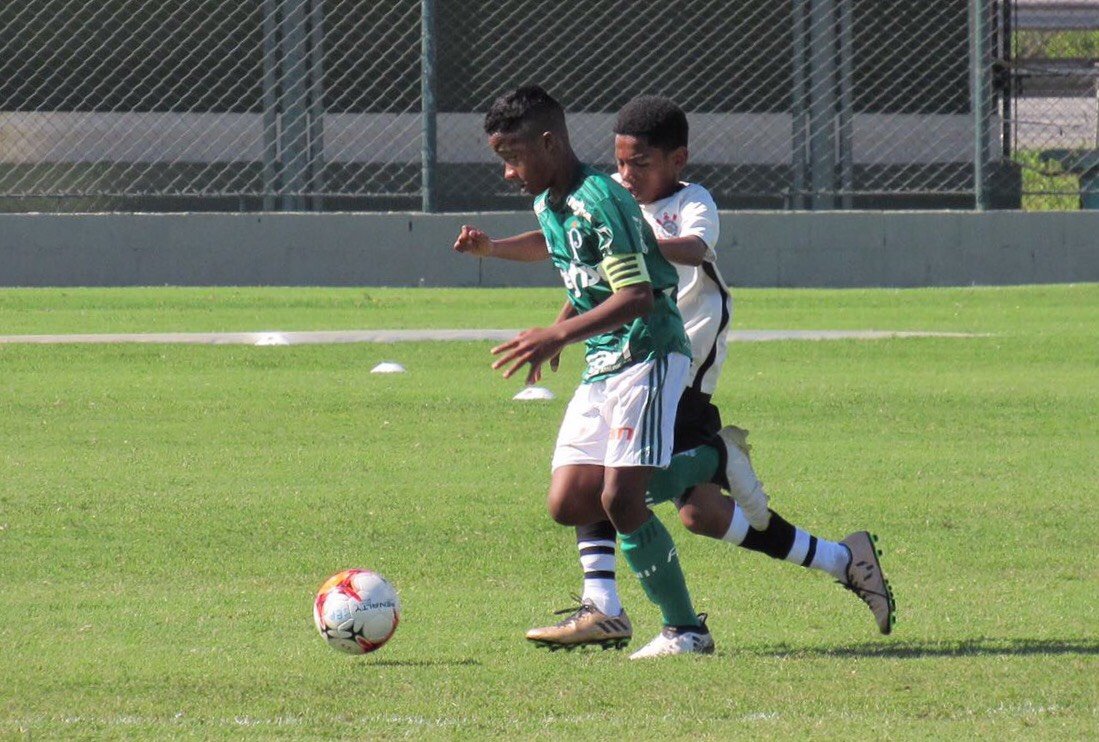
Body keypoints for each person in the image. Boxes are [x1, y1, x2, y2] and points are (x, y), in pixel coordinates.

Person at [485, 95, 896, 650]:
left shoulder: (685, 203)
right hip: (617, 355)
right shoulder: (586, 200)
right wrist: (563, 319)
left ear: (676, 161)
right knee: (696, 511)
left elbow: (687, 254)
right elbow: (581, 266)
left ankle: (653, 610)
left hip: (680, 367)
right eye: (622, 163)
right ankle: (841, 559)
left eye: (641, 165)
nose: (628, 175)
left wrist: (635, 238)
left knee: (620, 494)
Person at [453, 85, 762, 658]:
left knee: (622, 499)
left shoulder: (601, 200)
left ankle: (684, 629)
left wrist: (556, 333)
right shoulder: (551, 202)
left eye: (513, 157)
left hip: (648, 352)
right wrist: (493, 249)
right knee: (569, 501)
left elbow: (639, 297)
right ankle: (607, 610)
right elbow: (552, 249)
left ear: (548, 143)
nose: (507, 173)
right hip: (604, 360)